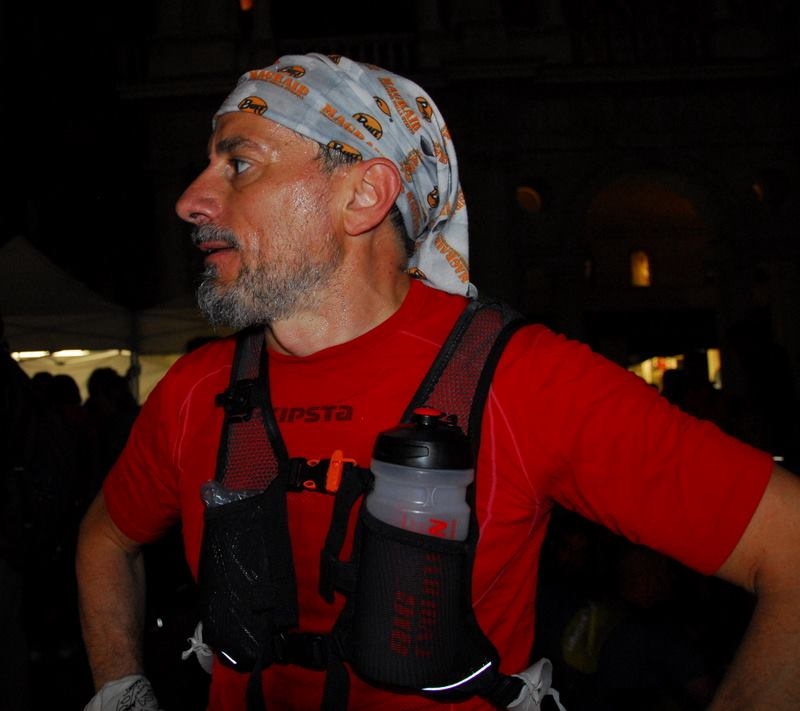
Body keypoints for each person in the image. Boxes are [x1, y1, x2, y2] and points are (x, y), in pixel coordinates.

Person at [75, 53, 800, 711]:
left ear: (364, 194)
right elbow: (106, 536)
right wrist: (119, 688)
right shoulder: (194, 391)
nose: (190, 199)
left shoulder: (523, 380)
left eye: (239, 163)